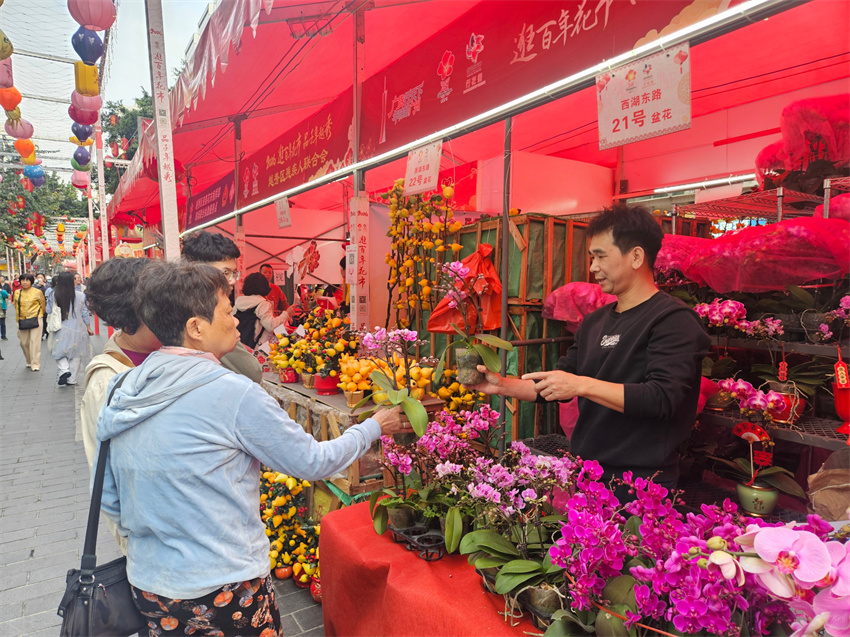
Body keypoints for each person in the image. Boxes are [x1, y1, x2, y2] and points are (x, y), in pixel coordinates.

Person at [94, 261, 404, 633]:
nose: (236, 320)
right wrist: (373, 427)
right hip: (223, 585)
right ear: (196, 327)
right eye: (227, 311)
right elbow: (313, 461)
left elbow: (109, 498)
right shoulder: (231, 393)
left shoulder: (122, 387)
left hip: (151, 585)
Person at [470, 204, 710, 495]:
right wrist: (501, 385)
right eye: (591, 257)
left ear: (635, 256)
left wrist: (582, 385)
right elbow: (558, 383)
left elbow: (663, 398)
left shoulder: (673, 321)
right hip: (588, 473)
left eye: (600, 257)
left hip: (642, 483)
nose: (593, 267)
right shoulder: (595, 322)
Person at [81, 258, 162, 552]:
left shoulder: (166, 351)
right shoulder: (108, 381)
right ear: (137, 313)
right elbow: (108, 480)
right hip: (153, 538)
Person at [181, 230, 264, 383]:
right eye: (225, 272)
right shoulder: (204, 311)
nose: (232, 281)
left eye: (234, 273)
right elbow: (251, 370)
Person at [47, 272, 92, 386]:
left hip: (60, 327)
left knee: (58, 351)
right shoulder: (81, 295)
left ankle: (64, 369)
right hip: (78, 327)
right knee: (76, 354)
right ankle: (72, 380)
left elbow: (48, 310)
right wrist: (88, 327)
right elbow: (85, 313)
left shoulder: (54, 294)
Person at [233, 272, 290, 348]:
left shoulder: (238, 303)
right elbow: (271, 326)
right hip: (257, 347)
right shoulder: (262, 304)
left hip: (239, 345)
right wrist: (286, 314)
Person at [12, 273, 46, 371]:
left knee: (34, 342)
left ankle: (35, 364)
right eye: (23, 280)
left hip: (36, 318)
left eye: (27, 280)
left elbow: (42, 305)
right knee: (24, 343)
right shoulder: (17, 292)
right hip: (22, 319)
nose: (25, 282)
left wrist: (40, 315)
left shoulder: (37, 292)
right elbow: (16, 306)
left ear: (31, 281)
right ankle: (29, 360)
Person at [0, 275, 10, 341]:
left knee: (2, 323)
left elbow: (6, 295)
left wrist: (1, 290)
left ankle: (3, 335)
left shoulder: (2, 290)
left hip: (1, 308)